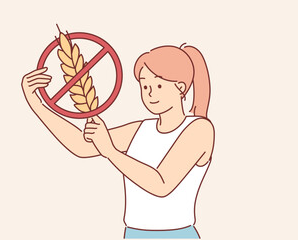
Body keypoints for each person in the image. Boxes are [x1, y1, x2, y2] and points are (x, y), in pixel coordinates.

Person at [21, 44, 215, 239]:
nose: (150, 93)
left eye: (158, 86)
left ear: (180, 87)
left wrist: (110, 151)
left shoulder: (200, 129)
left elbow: (161, 184)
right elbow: (81, 146)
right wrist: (36, 104)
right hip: (133, 234)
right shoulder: (141, 128)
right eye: (144, 86)